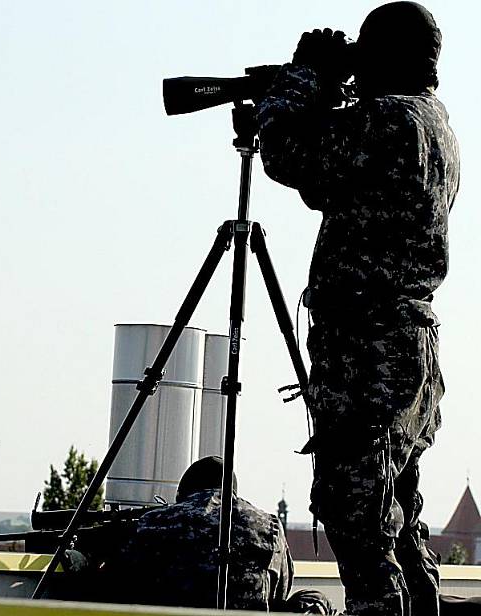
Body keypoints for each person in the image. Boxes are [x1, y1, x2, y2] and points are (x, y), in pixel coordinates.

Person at [256, 3, 460, 616]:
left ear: (387, 58)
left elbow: (288, 154)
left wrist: (304, 76)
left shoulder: (392, 121)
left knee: (355, 516)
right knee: (395, 518)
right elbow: (327, 180)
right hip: (404, 346)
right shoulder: (433, 124)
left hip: (368, 348)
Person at [102, 456, 331, 613]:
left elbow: (120, 582)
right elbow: (279, 592)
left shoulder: (155, 521)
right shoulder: (267, 525)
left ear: (183, 493)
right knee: (316, 600)